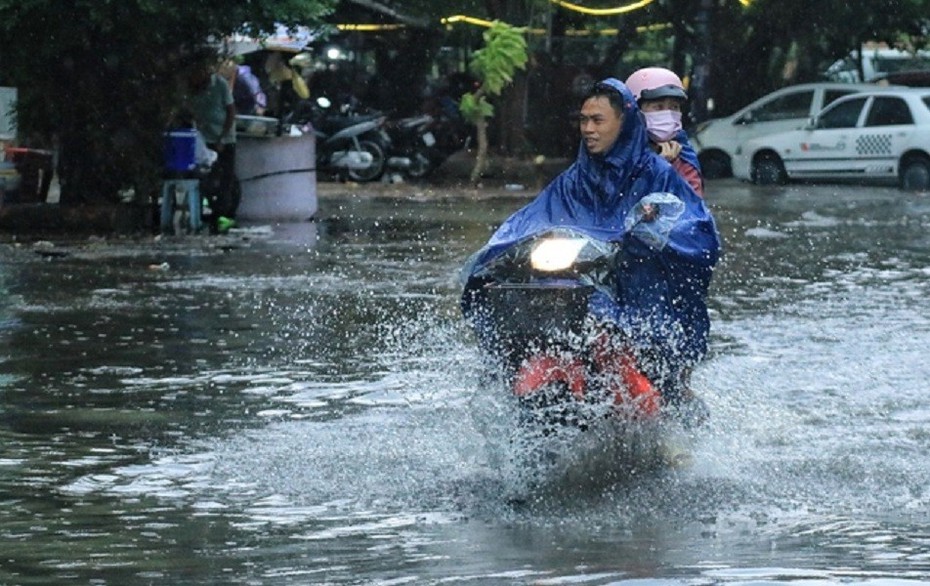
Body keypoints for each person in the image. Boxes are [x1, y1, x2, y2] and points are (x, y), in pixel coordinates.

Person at [461, 78, 720, 420]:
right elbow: (532, 218)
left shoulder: (658, 173)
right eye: (583, 121)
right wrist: (495, 250)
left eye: (598, 121)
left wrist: (649, 235)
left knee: (630, 338)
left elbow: (696, 228)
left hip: (636, 291)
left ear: (623, 122)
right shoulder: (573, 179)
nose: (588, 129)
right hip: (577, 289)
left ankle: (655, 411)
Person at [625, 67, 704, 197]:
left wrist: (669, 168)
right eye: (658, 107)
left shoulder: (684, 156)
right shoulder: (618, 154)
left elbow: (693, 206)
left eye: (674, 107)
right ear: (636, 111)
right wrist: (657, 167)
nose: (668, 113)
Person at [186, 58, 239, 232]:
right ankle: (210, 213)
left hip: (224, 139)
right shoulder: (193, 89)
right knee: (206, 180)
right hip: (204, 140)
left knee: (226, 179)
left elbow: (231, 112)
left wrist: (222, 139)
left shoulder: (220, 85)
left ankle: (222, 216)